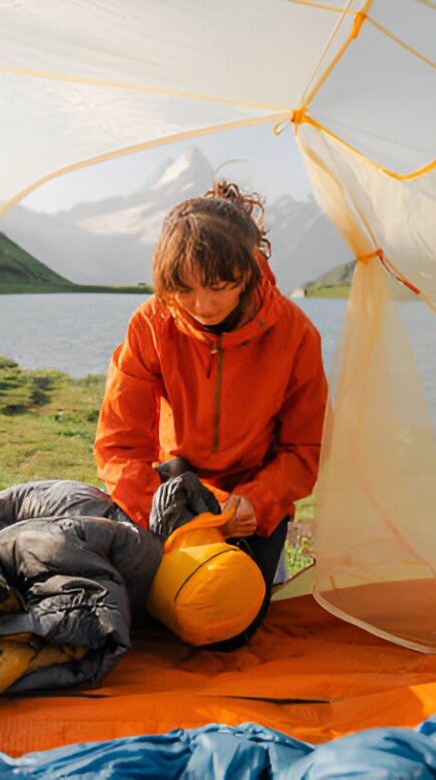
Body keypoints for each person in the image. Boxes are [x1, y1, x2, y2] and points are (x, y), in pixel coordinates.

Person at [94, 180, 328, 648]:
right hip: (173, 491)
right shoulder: (151, 323)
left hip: (251, 499)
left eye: (220, 287)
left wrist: (258, 502)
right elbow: (119, 446)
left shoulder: (296, 334)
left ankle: (262, 561)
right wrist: (157, 512)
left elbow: (304, 449)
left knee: (227, 629)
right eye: (184, 289)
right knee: (135, 616)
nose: (202, 307)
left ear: (249, 270)